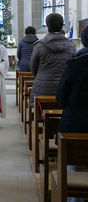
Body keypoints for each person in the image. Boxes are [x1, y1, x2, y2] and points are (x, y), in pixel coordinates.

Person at [56, 26, 88, 202]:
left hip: (77, 126)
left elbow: (61, 97)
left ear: (82, 42)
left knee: (75, 165)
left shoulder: (75, 66)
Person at [30, 13, 76, 107]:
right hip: (64, 91)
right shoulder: (71, 46)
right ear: (61, 26)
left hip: (42, 90)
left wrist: (41, 75)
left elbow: (33, 68)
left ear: (47, 27)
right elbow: (73, 69)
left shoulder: (39, 46)